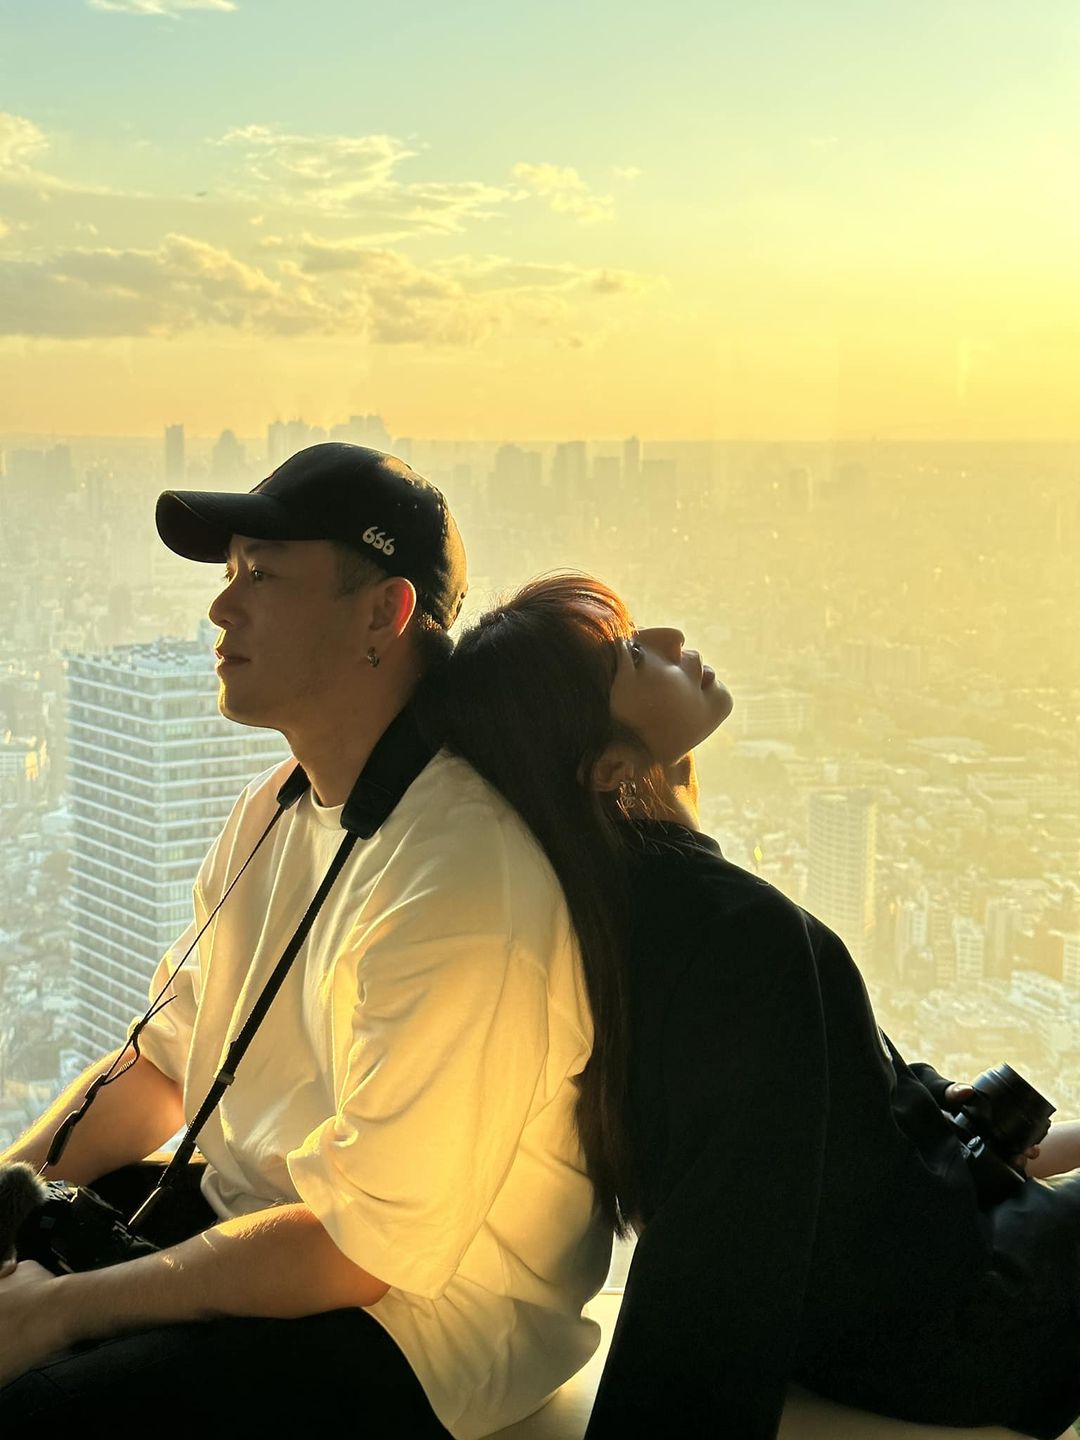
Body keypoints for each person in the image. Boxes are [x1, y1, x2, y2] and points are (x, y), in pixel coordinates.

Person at [0, 448, 612, 1436]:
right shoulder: (274, 809)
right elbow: (161, 1066)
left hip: (417, 1327)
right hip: (259, 1228)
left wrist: (59, 1312)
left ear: (384, 614)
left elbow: (362, 1246)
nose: (221, 608)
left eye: (263, 574)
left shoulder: (462, 875)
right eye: (229, 572)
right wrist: (10, 1193)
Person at [425, 569, 1080, 1440]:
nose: (668, 639)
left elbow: (831, 1159)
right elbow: (724, 1237)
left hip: (918, 1258)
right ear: (610, 768)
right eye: (631, 656)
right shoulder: (733, 938)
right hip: (959, 1317)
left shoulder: (629, 909)